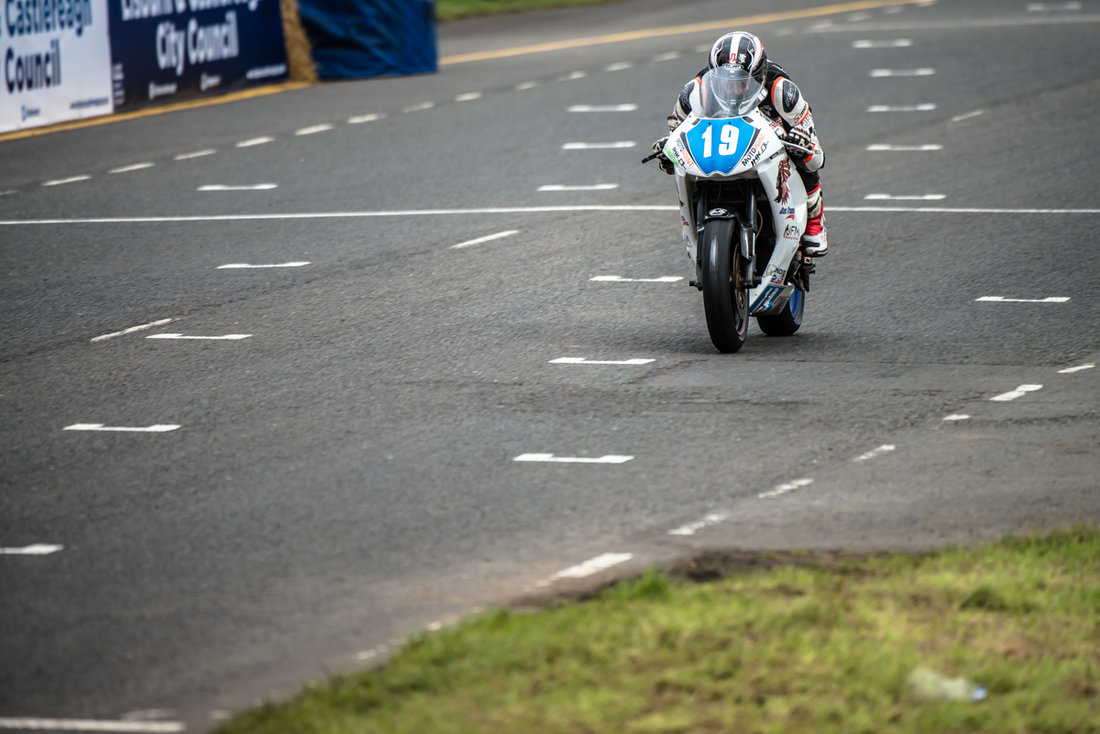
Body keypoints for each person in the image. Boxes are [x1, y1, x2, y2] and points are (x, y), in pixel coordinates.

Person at [655, 31, 828, 256]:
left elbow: (815, 153)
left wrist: (800, 142)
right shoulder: (694, 91)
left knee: (805, 158)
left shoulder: (783, 91)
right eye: (725, 83)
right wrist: (668, 149)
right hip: (720, 147)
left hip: (769, 143)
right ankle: (693, 228)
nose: (735, 90)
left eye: (743, 82)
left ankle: (815, 221)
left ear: (760, 75)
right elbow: (676, 128)